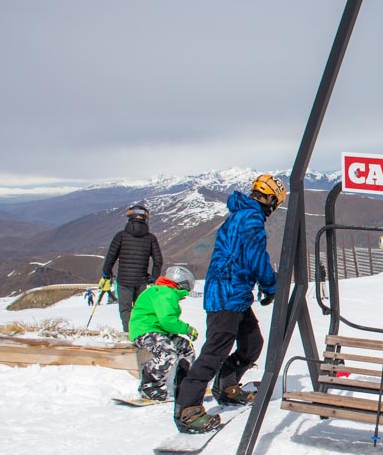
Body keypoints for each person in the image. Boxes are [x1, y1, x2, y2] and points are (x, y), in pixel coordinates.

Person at [173, 174, 286, 433]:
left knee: (252, 343)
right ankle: (187, 407)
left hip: (232, 293)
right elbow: (257, 258)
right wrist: (271, 285)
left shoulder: (239, 214)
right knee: (215, 351)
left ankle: (227, 385)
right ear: (270, 199)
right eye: (274, 202)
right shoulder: (252, 220)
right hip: (227, 294)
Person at [128, 266, 200, 402]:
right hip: (145, 331)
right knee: (168, 352)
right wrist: (187, 329)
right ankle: (149, 386)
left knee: (185, 348)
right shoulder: (165, 293)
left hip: (157, 331)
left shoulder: (164, 291)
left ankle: (184, 380)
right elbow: (168, 320)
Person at [100, 204, 163, 332]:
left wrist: (107, 273)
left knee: (125, 309)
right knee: (140, 309)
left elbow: (111, 256)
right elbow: (158, 260)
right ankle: (141, 334)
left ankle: (129, 334)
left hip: (123, 280)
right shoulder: (150, 238)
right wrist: (154, 277)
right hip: (141, 280)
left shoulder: (121, 236)